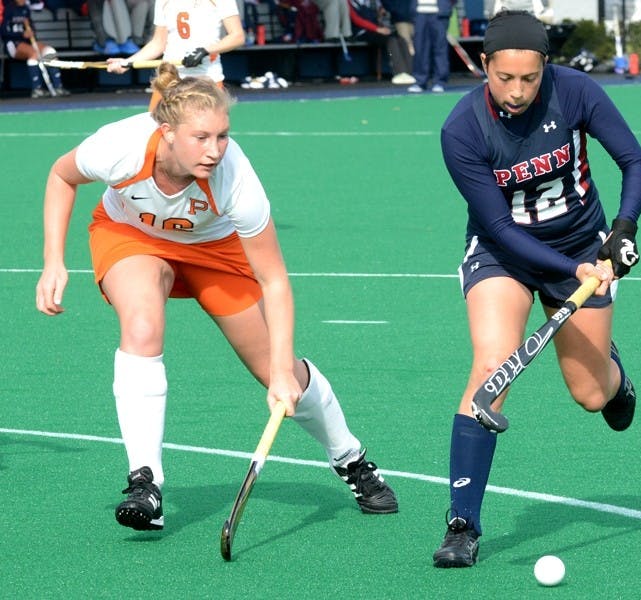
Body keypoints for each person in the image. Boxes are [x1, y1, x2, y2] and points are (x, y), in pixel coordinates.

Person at [35, 64, 398, 532]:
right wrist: (53, 260)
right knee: (142, 325)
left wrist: (282, 371)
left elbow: (276, 281)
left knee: (273, 365)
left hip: (216, 249)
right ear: (166, 133)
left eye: (223, 136)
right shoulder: (120, 147)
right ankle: (145, 483)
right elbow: (61, 176)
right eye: (201, 138)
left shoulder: (236, 179)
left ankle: (350, 458)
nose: (215, 150)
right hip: (131, 236)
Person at [431, 10, 641, 568]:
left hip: (581, 246)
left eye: (529, 78)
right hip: (502, 252)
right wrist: (570, 269)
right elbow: (500, 228)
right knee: (490, 366)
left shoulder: (575, 92)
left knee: (591, 395)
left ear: (544, 68)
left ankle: (614, 373)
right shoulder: (461, 130)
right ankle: (462, 524)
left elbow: (634, 162)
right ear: (485, 67)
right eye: (505, 78)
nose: (517, 91)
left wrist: (622, 230)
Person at [107, 0, 245, 110]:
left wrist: (205, 51)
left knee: (206, 137)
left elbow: (237, 36)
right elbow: (158, 43)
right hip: (170, 79)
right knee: (156, 135)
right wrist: (127, 62)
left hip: (207, 80)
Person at [1, 0, 71, 97]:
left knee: (50, 51)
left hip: (27, 42)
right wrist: (22, 34)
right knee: (34, 54)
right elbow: (4, 32)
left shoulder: (26, 9)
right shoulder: (8, 9)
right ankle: (37, 89)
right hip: (12, 44)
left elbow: (30, 27)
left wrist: (31, 31)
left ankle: (58, 86)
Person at [349, 0, 414, 84]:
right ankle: (400, 72)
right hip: (362, 32)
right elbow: (357, 20)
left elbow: (378, 16)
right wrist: (377, 29)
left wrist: (380, 13)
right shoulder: (349, 2)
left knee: (400, 39)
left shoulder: (373, 2)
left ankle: (411, 71)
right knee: (390, 40)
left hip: (377, 30)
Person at [407, 0, 453, 93]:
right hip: (419, 12)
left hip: (439, 13)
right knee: (420, 48)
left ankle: (440, 81)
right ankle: (420, 81)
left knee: (440, 48)